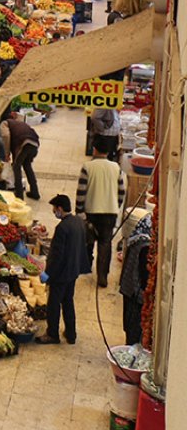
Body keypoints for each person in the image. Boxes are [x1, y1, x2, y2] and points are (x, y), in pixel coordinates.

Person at [39, 195, 88, 344]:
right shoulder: (79, 222)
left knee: (53, 304)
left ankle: (52, 334)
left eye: (54, 208)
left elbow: (56, 255)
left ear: (59, 208)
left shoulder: (62, 228)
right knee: (68, 301)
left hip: (60, 274)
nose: (54, 211)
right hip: (73, 271)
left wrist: (48, 273)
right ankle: (71, 333)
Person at [76, 145, 126, 287]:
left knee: (88, 241)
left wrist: (79, 211)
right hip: (109, 213)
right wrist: (115, 205)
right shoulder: (116, 167)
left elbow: (81, 191)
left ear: (95, 149)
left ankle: (85, 267)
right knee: (105, 243)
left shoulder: (88, 166)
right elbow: (121, 191)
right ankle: (102, 277)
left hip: (91, 212)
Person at [119, 215, 152, 346]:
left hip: (127, 288)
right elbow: (144, 278)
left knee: (129, 325)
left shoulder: (135, 239)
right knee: (135, 329)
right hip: (135, 294)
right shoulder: (145, 247)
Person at [0, 111, 41, 200]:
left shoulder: (5, 123)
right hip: (35, 143)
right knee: (27, 165)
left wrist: (7, 153)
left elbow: (6, 136)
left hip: (24, 144)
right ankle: (35, 192)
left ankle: (19, 196)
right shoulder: (19, 123)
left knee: (16, 167)